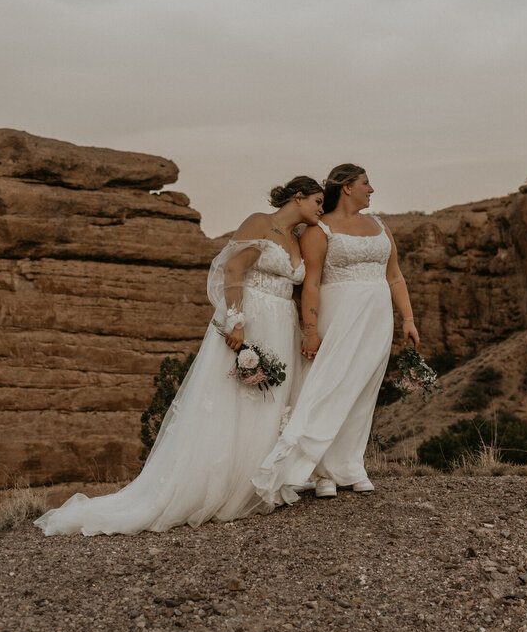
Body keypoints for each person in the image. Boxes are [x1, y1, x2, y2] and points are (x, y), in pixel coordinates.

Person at [34, 176, 325, 535]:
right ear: (298, 197)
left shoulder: (298, 240)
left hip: (282, 323)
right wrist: (236, 320)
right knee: (236, 398)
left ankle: (258, 481)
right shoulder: (260, 224)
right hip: (253, 318)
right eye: (317, 202)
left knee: (270, 400)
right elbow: (233, 269)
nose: (320, 210)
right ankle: (217, 487)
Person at [252, 164, 419, 505]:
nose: (371, 190)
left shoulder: (380, 226)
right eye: (366, 183)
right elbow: (310, 283)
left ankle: (349, 465)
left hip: (377, 318)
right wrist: (311, 331)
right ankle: (317, 471)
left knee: (362, 388)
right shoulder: (319, 229)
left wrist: (407, 319)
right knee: (328, 385)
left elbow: (395, 276)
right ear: (346, 187)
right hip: (337, 314)